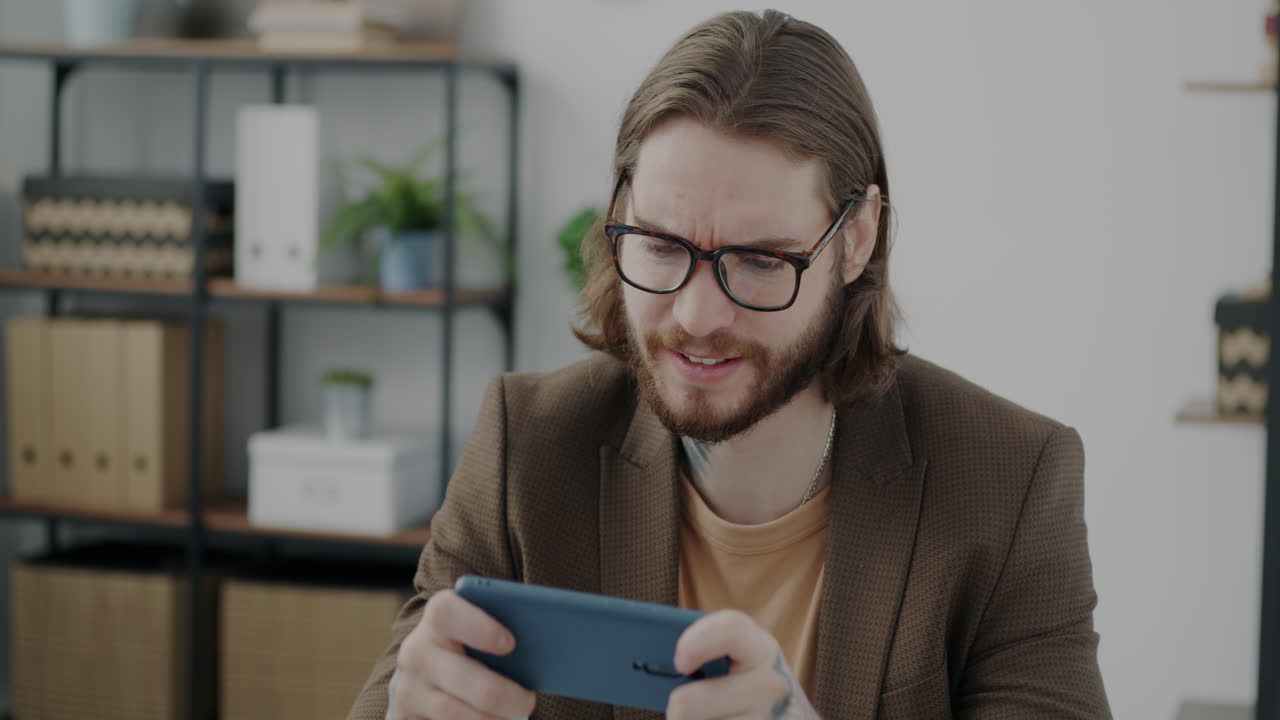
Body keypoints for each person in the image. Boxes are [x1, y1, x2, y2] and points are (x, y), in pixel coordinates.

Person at [349, 9, 1110, 720]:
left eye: (756, 260)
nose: (696, 316)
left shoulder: (1010, 481)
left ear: (856, 239)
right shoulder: (527, 447)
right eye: (660, 244)